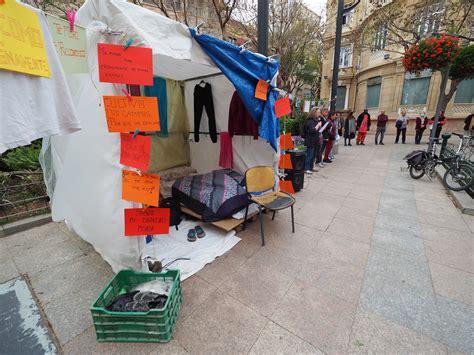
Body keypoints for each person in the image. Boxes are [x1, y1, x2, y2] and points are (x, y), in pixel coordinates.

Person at [303, 108, 322, 174]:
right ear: (314, 113)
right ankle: (306, 168)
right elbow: (312, 130)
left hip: (315, 140)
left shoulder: (315, 120)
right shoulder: (310, 120)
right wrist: (318, 125)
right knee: (309, 155)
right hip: (310, 140)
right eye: (318, 112)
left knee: (313, 155)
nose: (319, 114)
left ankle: (311, 167)